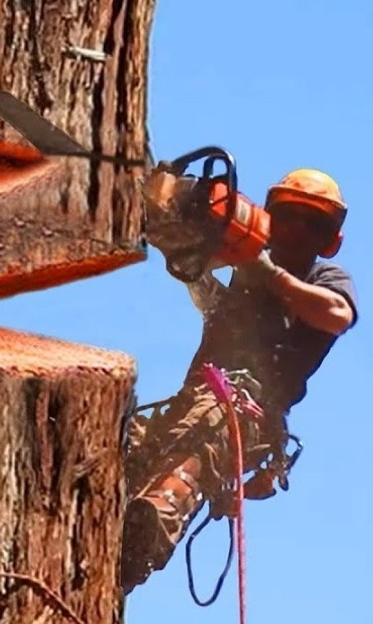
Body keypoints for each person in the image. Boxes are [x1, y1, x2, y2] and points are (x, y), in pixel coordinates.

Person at [120, 167, 359, 592]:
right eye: (288, 216)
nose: (297, 229)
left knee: (189, 465)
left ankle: (143, 539)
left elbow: (337, 316)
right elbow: (215, 308)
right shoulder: (245, 270)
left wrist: (269, 274)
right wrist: (186, 252)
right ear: (271, 218)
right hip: (193, 399)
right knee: (120, 454)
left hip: (245, 411)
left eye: (313, 222)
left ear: (330, 239)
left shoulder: (322, 281)